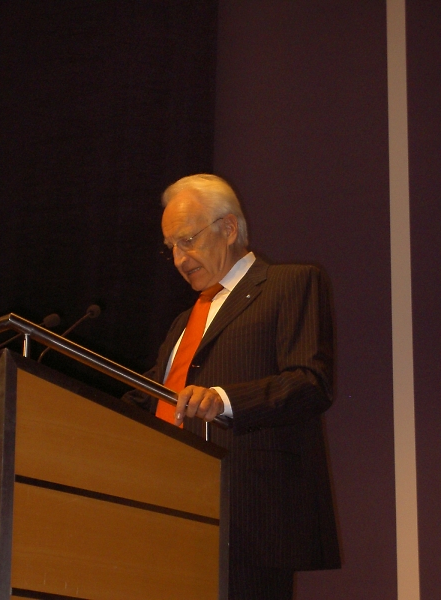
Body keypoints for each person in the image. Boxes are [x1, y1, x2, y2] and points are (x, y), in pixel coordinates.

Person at [125, 174, 340, 599]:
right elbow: (151, 396)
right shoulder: (182, 322)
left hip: (248, 513)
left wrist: (223, 400)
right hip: (170, 508)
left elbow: (310, 382)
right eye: (171, 247)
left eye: (187, 240)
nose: (178, 259)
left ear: (227, 228)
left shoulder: (290, 283)